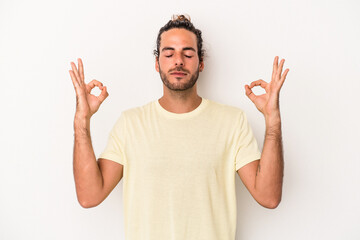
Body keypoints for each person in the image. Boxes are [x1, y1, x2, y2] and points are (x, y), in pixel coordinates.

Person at [69, 14, 289, 240]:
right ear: (157, 63)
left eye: (188, 53)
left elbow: (269, 197)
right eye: (169, 53)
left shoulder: (232, 122)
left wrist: (273, 120)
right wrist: (81, 120)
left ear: (200, 62)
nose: (178, 61)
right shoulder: (130, 124)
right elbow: (89, 196)